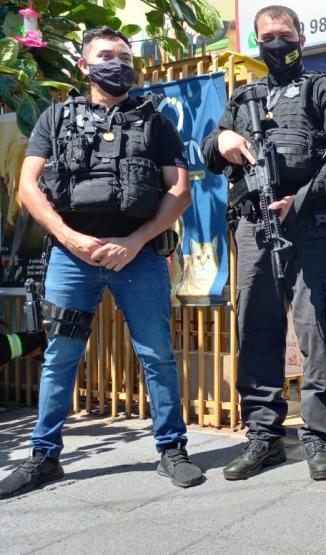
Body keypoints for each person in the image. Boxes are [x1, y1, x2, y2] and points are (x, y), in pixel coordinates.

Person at [2, 27, 202, 498]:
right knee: (60, 357)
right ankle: (44, 456)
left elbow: (180, 191)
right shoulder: (55, 118)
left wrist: (134, 241)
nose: (118, 64)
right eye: (107, 56)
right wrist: (70, 238)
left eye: (124, 56)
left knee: (156, 355)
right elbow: (28, 188)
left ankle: (172, 449)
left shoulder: (156, 121)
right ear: (85, 66)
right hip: (72, 258)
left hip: (139, 257)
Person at [202, 6, 326, 481]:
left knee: (317, 330)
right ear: (256, 42)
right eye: (267, 38)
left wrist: (302, 199)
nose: (276, 45)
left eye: (284, 36)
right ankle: (264, 435)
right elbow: (208, 153)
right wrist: (222, 138)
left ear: (302, 38)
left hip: (309, 226)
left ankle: (317, 435)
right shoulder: (244, 96)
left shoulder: (325, 92)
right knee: (257, 329)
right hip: (254, 226)